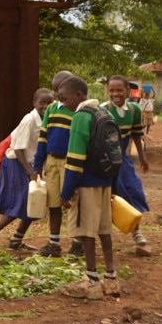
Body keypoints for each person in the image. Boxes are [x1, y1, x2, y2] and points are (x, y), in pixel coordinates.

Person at [57, 76, 120, 300]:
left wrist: (65, 193)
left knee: (86, 231)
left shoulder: (81, 117)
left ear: (78, 95)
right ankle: (111, 279)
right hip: (105, 181)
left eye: (64, 99)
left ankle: (91, 281)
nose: (63, 104)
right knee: (104, 230)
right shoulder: (105, 113)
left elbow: (74, 159)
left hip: (86, 183)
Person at [0, 88, 54, 251]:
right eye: (42, 103)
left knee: (35, 202)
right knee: (22, 202)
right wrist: (30, 171)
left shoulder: (48, 119)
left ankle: (16, 240)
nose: (45, 106)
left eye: (49, 103)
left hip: (31, 165)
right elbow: (19, 149)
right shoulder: (30, 120)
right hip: (16, 163)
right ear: (34, 103)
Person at [32, 71, 84, 258]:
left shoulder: (79, 111)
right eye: (55, 92)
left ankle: (78, 243)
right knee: (53, 202)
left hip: (70, 162)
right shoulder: (52, 109)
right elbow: (43, 137)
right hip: (52, 161)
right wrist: (37, 165)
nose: (58, 97)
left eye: (60, 92)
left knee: (72, 202)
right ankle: (54, 242)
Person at [104, 76, 152, 257]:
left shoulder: (134, 110)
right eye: (112, 90)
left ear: (127, 91)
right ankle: (92, 236)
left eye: (119, 90)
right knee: (105, 196)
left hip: (123, 159)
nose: (115, 94)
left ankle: (136, 230)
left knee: (132, 191)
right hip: (106, 160)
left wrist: (142, 158)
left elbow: (136, 135)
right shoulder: (104, 110)